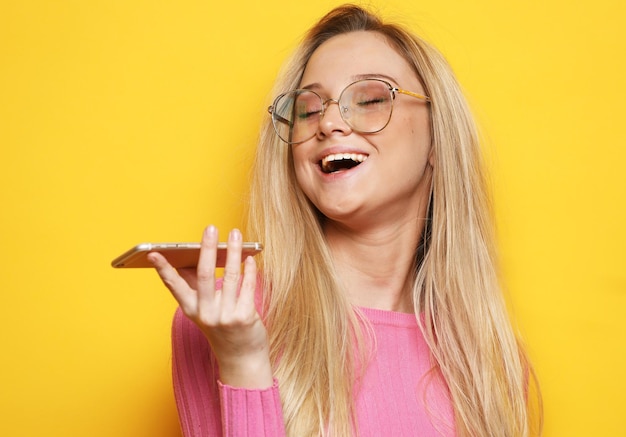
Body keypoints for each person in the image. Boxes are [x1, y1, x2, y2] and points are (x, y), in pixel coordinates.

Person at [148, 4, 542, 436]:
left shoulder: (487, 359)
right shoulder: (226, 316)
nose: (330, 123)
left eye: (371, 99)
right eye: (308, 109)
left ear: (438, 138)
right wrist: (242, 362)